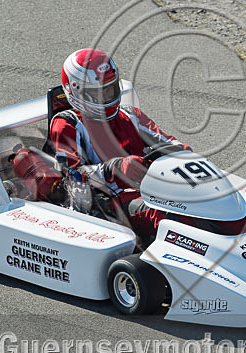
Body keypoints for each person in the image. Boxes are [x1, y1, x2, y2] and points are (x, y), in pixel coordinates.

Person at [12, 48, 191, 241]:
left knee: (200, 201)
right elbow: (70, 177)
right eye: (98, 93)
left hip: (152, 187)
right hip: (108, 202)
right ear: (76, 91)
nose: (106, 97)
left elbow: (170, 142)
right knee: (168, 216)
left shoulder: (131, 116)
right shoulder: (68, 123)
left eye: (109, 89)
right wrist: (113, 168)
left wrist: (181, 153)